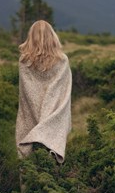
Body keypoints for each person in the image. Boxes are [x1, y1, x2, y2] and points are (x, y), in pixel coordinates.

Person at [15, 20, 72, 165]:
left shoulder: (24, 61)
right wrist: (47, 120)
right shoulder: (62, 60)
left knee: (29, 164)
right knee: (50, 165)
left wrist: (38, 122)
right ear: (52, 36)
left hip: (29, 118)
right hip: (53, 119)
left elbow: (28, 94)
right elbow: (61, 93)